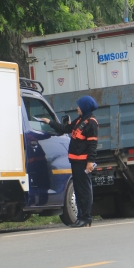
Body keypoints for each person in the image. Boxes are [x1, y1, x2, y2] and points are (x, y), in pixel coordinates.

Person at [42, 96, 99, 227]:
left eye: (79, 106)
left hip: (83, 163)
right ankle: (80, 218)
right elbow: (64, 129)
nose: (77, 108)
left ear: (85, 107)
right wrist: (49, 122)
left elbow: (92, 145)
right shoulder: (80, 120)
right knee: (78, 190)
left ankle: (86, 217)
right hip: (75, 161)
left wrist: (90, 162)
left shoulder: (91, 122)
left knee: (84, 191)